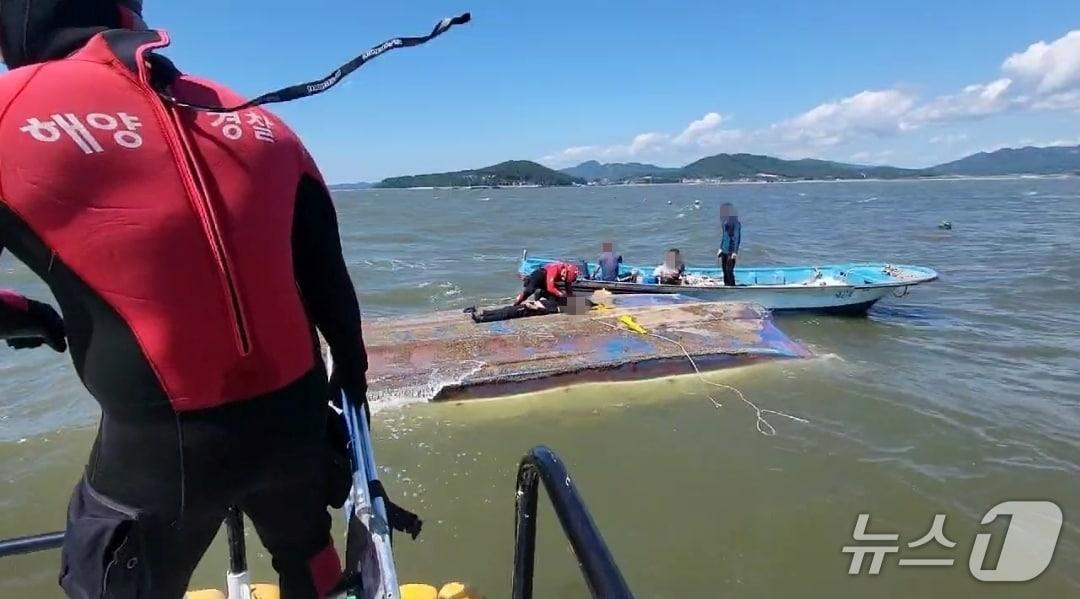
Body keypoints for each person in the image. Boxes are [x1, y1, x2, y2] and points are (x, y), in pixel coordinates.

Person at [0, 2, 372, 597]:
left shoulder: (9, 110)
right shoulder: (258, 118)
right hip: (295, 420)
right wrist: (350, 372)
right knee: (309, 553)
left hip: (160, 451)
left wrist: (34, 318)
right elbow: (330, 280)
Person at [515, 261, 580, 305]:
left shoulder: (569, 273)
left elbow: (568, 288)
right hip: (540, 275)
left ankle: (539, 296)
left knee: (555, 299)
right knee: (529, 291)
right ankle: (517, 303)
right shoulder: (555, 269)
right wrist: (562, 295)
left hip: (547, 282)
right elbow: (550, 288)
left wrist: (571, 299)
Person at [717, 202, 741, 286]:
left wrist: (735, 252)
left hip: (731, 250)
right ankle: (726, 286)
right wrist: (720, 248)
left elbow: (737, 237)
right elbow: (724, 236)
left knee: (729, 271)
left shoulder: (735, 222)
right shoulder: (724, 222)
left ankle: (732, 287)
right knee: (724, 270)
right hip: (724, 249)